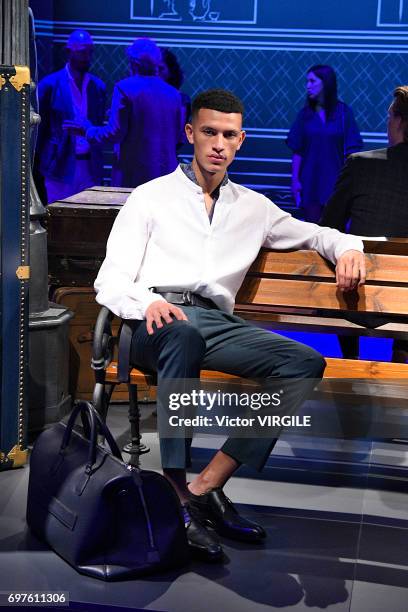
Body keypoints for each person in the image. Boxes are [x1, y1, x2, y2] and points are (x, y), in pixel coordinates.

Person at [94, 89, 366, 561]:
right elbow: (110, 279)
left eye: (228, 135)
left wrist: (349, 248)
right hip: (151, 324)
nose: (218, 143)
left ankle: (206, 485)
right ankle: (175, 496)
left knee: (303, 362)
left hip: (215, 323)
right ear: (190, 134)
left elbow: (320, 233)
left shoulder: (254, 207)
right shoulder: (150, 197)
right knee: (181, 331)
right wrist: (147, 301)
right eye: (208, 133)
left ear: (240, 140)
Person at [321, 85, 408, 362]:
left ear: (399, 121)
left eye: (390, 116)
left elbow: (329, 226)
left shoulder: (360, 165)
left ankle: (351, 361)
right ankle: (402, 358)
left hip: (357, 297)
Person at [66, 38, 184, 188]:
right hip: (166, 178)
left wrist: (87, 129)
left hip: (134, 178)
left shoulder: (125, 88)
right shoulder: (174, 94)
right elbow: (178, 137)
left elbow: (114, 133)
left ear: (133, 63)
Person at [36, 30, 106, 203]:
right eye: (82, 51)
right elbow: (39, 129)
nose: (87, 57)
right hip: (59, 165)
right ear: (69, 51)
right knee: (58, 217)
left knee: (87, 219)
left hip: (89, 166)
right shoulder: (50, 85)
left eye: (90, 51)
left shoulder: (98, 87)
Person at [286, 64, 363, 223]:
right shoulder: (305, 115)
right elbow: (297, 151)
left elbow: (352, 152)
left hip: (336, 183)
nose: (308, 86)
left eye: (312, 81)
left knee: (335, 231)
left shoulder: (343, 113)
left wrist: (352, 184)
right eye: (307, 82)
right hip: (310, 183)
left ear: (325, 82)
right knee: (313, 232)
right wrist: (295, 181)